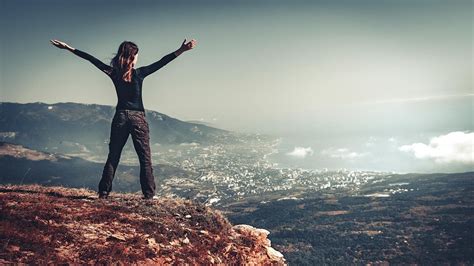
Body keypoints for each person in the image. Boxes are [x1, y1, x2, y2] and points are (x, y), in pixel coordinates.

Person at [50, 38, 197, 199]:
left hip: (120, 117)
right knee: (145, 159)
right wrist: (181, 50)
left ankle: (104, 192)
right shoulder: (139, 74)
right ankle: (148, 195)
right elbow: (162, 62)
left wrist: (69, 48)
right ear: (133, 57)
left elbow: (91, 59)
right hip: (138, 118)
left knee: (114, 155)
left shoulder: (113, 73)